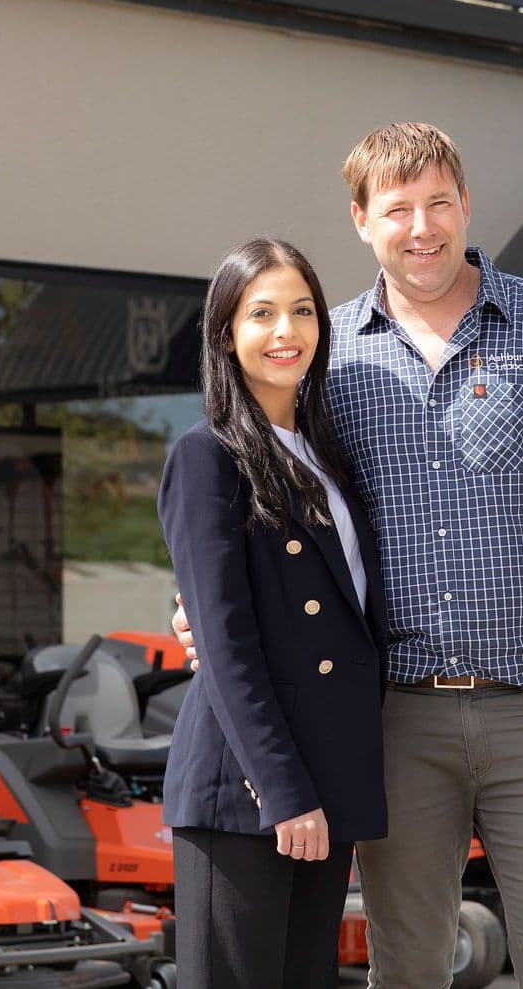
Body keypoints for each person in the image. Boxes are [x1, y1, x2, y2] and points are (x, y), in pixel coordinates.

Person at [178, 123, 523, 989]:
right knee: (408, 966)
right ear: (361, 221)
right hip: (392, 717)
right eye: (398, 209)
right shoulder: (325, 357)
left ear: (466, 205)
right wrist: (196, 601)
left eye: (439, 203)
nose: (422, 227)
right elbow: (259, 507)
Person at [158, 237, 387, 989]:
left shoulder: (329, 454)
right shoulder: (207, 455)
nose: (285, 331)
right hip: (248, 787)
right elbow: (225, 642)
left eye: (302, 311)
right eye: (262, 313)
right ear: (226, 332)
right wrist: (283, 791)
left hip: (328, 776)